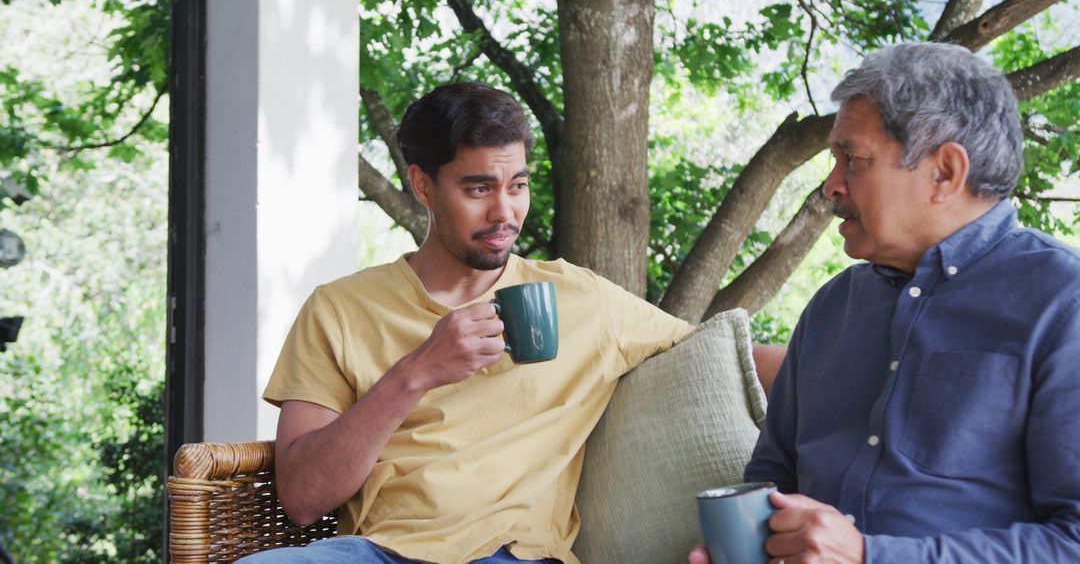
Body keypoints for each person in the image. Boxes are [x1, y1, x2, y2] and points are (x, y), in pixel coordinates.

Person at [241, 82, 780, 564]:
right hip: (374, 553)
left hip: (515, 555)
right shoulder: (339, 309)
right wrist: (418, 373)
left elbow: (724, 359)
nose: (505, 213)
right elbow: (303, 498)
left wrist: (857, 367)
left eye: (516, 185)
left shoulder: (580, 298)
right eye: (479, 189)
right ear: (423, 186)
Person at [689, 42, 1080, 564]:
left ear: (944, 171)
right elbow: (771, 482)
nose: (831, 187)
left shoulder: (1062, 303)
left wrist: (871, 555)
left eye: (853, 160)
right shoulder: (833, 307)